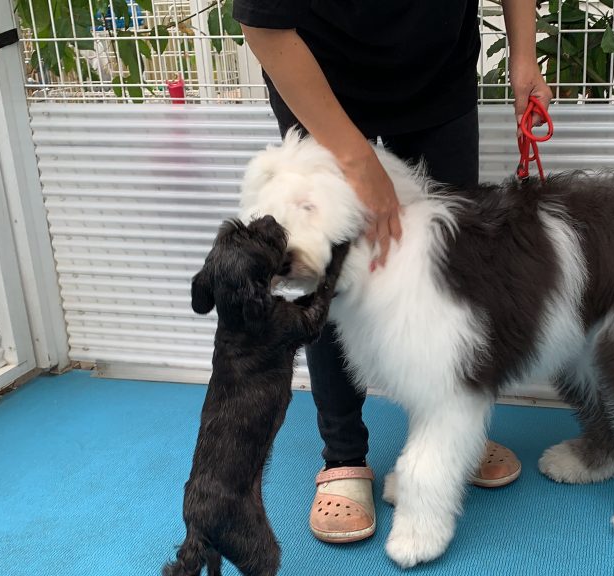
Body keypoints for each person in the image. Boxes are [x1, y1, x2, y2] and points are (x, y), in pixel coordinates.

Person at [234, 0, 552, 544]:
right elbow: (264, 24)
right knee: (328, 269)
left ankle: (450, 429)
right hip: (318, 71)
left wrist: (525, 55)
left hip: (437, 72)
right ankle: (344, 457)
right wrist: (358, 162)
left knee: (454, 264)